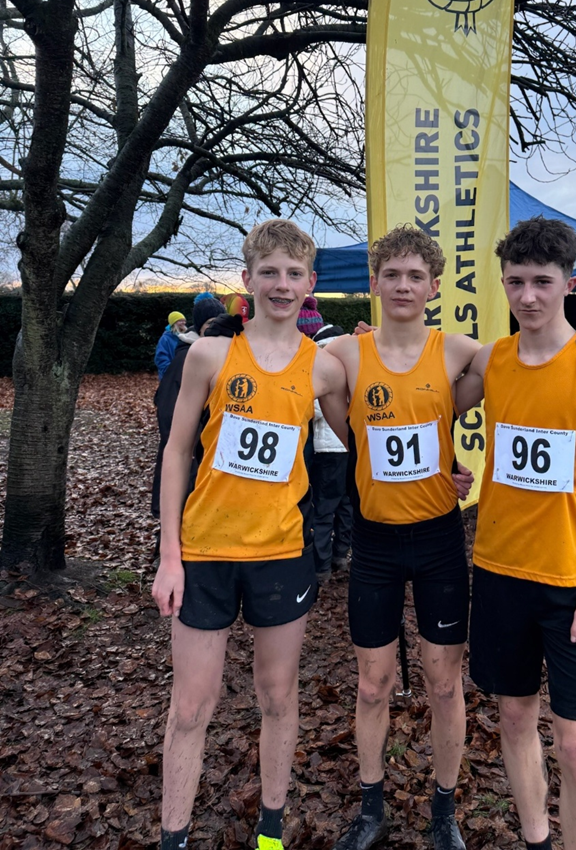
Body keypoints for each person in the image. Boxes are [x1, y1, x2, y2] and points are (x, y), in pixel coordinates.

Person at [152, 219, 347, 850]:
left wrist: (445, 466)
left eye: (294, 274)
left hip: (281, 555)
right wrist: (169, 556)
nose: (282, 285)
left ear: (310, 284)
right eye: (270, 272)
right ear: (247, 280)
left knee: (278, 698)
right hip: (205, 553)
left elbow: (364, 443)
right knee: (191, 706)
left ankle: (270, 831)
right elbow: (176, 452)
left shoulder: (324, 369)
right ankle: (174, 837)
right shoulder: (209, 356)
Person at [454, 217, 576, 850]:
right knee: (513, 719)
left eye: (541, 281)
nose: (528, 296)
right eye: (516, 282)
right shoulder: (492, 360)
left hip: (572, 580)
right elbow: (427, 401)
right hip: (500, 572)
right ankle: (536, 839)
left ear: (569, 283)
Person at [323, 225, 480, 850]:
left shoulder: (457, 351)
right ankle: (371, 808)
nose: (404, 285)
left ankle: (444, 811)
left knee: (444, 684)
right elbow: (337, 417)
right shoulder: (344, 354)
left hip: (439, 541)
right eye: (392, 274)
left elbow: (528, 360)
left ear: (434, 286)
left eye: (416, 276)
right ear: (375, 282)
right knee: (372, 684)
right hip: (375, 545)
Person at [150, 297, 227, 519]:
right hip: (190, 453)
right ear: (200, 326)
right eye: (210, 324)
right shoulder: (187, 358)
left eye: (219, 322)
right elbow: (170, 413)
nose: (215, 330)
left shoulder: (214, 354)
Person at [309, 317, 354, 582]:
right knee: (346, 505)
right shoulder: (352, 366)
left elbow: (313, 410)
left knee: (324, 509)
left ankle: (321, 566)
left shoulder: (321, 369)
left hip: (327, 451)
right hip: (350, 448)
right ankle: (340, 556)